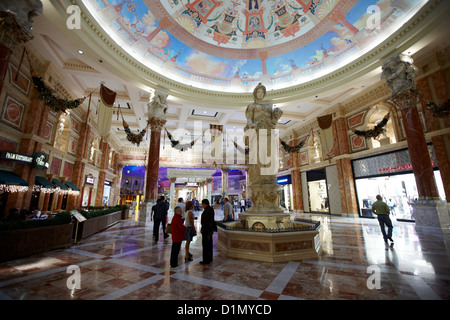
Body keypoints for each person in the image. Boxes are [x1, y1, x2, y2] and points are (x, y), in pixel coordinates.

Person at [200, 199, 215, 265]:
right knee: (209, 243)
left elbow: (205, 222)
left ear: (204, 204)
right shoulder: (211, 209)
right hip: (210, 229)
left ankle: (206, 260)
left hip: (206, 229)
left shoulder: (206, 211)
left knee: (205, 244)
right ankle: (210, 257)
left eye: (202, 204)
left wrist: (202, 228)